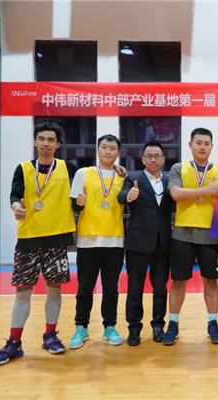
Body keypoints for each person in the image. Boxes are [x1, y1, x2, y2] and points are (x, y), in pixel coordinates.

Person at [0, 122, 78, 365]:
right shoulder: (23, 168)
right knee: (22, 293)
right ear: (35, 141)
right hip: (28, 238)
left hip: (58, 238)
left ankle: (50, 335)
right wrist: (16, 207)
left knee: (54, 289)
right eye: (42, 139)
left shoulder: (68, 168)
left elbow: (87, 184)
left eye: (51, 140)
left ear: (58, 144)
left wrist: (118, 170)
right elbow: (15, 195)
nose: (46, 143)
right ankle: (14, 342)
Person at [162, 128, 218, 346]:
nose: (202, 147)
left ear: (212, 146)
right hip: (182, 234)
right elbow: (176, 194)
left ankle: (212, 323)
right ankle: (173, 324)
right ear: (190, 145)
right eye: (198, 143)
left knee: (211, 281)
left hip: (211, 236)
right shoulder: (179, 168)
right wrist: (206, 191)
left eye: (206, 143)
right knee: (179, 281)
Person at [67, 135, 126, 349]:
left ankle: (109, 326)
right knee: (85, 288)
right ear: (98, 150)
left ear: (118, 153)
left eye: (112, 148)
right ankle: (81, 327)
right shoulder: (83, 173)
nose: (108, 151)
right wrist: (79, 202)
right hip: (88, 240)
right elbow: (75, 206)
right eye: (104, 147)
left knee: (111, 289)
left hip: (115, 240)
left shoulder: (123, 177)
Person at [117, 141, 174, 346]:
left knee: (160, 288)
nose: (153, 159)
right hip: (138, 244)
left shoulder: (169, 181)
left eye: (157, 156)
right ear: (142, 159)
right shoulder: (133, 179)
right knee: (135, 289)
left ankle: (158, 325)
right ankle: (134, 328)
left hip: (163, 243)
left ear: (163, 159)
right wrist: (128, 196)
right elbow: (121, 196)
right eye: (149, 156)